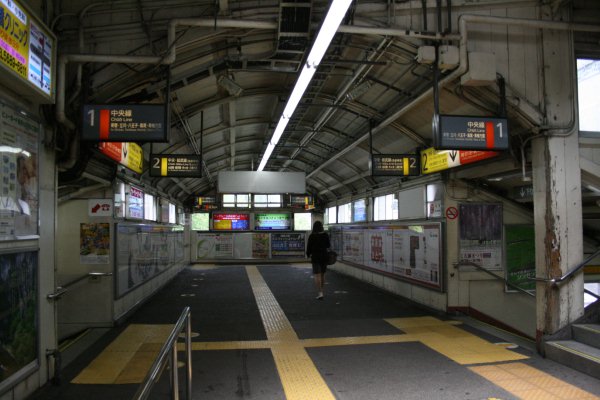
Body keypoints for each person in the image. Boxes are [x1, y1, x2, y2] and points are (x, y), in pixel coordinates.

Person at [306, 220, 330, 300]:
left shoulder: (312, 236)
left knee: (317, 275)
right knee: (323, 274)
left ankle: (320, 293)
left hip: (316, 257)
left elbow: (309, 247)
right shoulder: (325, 235)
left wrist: (308, 254)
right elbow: (328, 245)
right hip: (324, 256)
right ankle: (322, 291)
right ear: (321, 227)